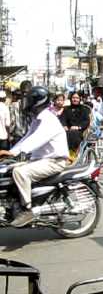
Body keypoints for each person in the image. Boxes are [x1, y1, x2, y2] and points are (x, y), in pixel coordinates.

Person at [0, 87, 69, 227]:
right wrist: (9, 153)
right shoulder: (37, 119)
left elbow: (36, 140)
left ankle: (27, 209)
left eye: (29, 100)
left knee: (20, 172)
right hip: (41, 160)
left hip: (55, 161)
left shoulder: (48, 119)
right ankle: (14, 203)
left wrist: (14, 153)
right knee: (7, 169)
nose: (26, 103)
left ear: (38, 102)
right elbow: (26, 138)